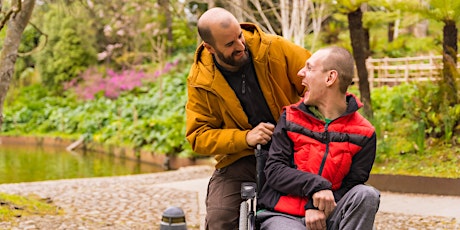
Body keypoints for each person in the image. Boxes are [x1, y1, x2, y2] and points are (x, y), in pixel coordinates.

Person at [185, 7, 311, 229]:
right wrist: (245, 138)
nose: (240, 46)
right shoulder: (200, 80)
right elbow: (198, 137)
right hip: (240, 159)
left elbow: (318, 80)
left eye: (240, 36)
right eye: (230, 44)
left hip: (293, 151)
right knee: (219, 220)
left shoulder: (275, 48)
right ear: (209, 47)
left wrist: (304, 122)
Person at [257, 46, 380, 230]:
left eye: (309, 68)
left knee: (366, 194)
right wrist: (316, 186)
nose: (300, 73)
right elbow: (275, 170)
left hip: (328, 216)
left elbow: (352, 184)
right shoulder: (290, 118)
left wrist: (316, 207)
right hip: (282, 214)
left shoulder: (364, 133)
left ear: (330, 78)